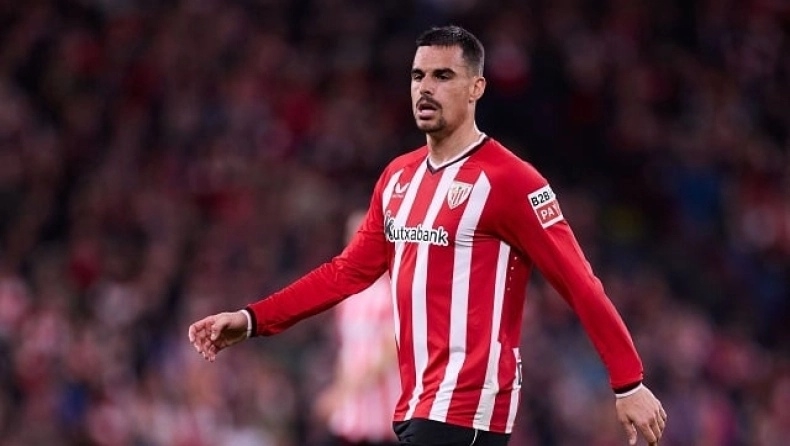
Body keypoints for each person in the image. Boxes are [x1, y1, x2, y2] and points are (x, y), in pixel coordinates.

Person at [188, 25, 667, 446]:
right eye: (418, 76)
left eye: (443, 76)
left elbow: (579, 282)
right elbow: (344, 273)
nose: (425, 88)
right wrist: (252, 319)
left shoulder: (512, 182)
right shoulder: (398, 177)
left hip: (468, 405)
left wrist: (628, 381)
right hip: (414, 404)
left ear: (476, 87)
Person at [314, 210, 400, 446]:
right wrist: (339, 391)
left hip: (384, 422)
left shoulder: (392, 292)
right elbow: (347, 353)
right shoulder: (347, 298)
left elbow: (388, 356)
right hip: (350, 421)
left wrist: (341, 393)